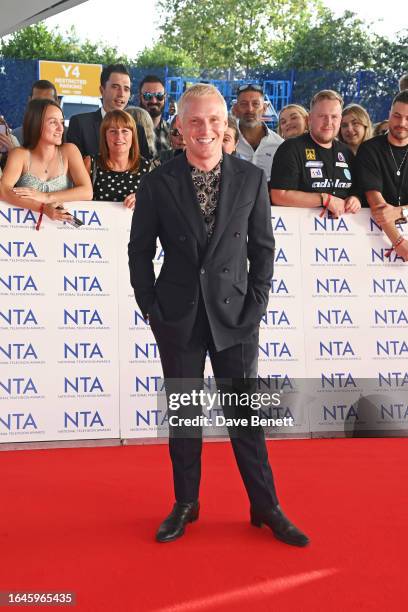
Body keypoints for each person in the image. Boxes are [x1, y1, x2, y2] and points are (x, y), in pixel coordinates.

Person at [128, 83, 309, 547]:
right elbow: (139, 252)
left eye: (213, 120)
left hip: (236, 317)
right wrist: (152, 308)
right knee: (185, 418)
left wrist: (256, 307)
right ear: (180, 128)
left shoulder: (250, 179)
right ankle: (185, 504)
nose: (205, 129)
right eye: (195, 121)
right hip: (179, 317)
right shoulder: (156, 182)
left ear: (225, 125)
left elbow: (263, 250)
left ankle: (265, 505)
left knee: (246, 418)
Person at [270, 89, 361, 216]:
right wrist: (324, 199)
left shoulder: (346, 152)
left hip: (344, 231)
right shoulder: (291, 148)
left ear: (340, 120)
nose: (328, 122)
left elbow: (357, 190)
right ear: (309, 119)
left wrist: (355, 199)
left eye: (334, 117)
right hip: (301, 230)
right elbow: (278, 195)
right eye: (322, 116)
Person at [0, 99, 92, 224]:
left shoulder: (70, 151)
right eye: (53, 122)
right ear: (36, 124)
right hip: (27, 232)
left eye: (62, 122)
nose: (61, 128)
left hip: (64, 232)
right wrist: (43, 208)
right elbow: (3, 190)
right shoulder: (19, 154)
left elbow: (87, 192)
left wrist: (46, 197)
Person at [356, 90, 408, 261]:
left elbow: (390, 213)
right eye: (397, 116)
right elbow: (379, 208)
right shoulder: (370, 149)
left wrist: (401, 211)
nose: (402, 123)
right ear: (389, 115)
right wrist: (399, 242)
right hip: (376, 237)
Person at [67, 64, 149, 160]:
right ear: (102, 90)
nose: (121, 94)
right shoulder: (80, 124)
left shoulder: (137, 130)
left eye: (126, 89)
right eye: (115, 87)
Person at [84, 110, 150, 209]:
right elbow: (75, 202)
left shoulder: (147, 167)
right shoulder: (91, 163)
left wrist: (143, 199)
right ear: (104, 136)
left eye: (125, 131)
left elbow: (160, 202)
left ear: (133, 136)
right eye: (113, 131)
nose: (119, 137)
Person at [233, 83, 283, 179]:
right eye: (244, 104)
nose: (250, 109)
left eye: (255, 104)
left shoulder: (278, 145)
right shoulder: (226, 140)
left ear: (264, 108)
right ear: (236, 109)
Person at [12, 79, 59, 145]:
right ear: (29, 101)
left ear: (57, 102)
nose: (42, 106)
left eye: (48, 102)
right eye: (37, 102)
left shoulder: (68, 135)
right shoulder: (15, 136)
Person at [139, 75, 170, 155]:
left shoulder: (172, 133)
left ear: (165, 97)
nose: (154, 101)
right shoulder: (128, 131)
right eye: (147, 96)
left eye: (159, 96)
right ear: (140, 97)